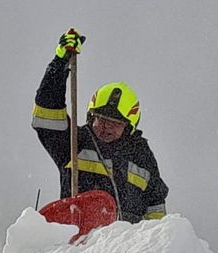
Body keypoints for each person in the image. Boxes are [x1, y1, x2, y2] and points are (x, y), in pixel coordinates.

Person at [32, 29, 168, 223]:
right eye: (101, 119)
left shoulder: (142, 155)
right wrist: (59, 63)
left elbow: (156, 205)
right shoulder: (74, 143)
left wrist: (155, 245)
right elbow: (46, 113)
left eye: (115, 123)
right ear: (90, 117)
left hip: (127, 249)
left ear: (129, 128)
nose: (106, 127)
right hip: (82, 247)